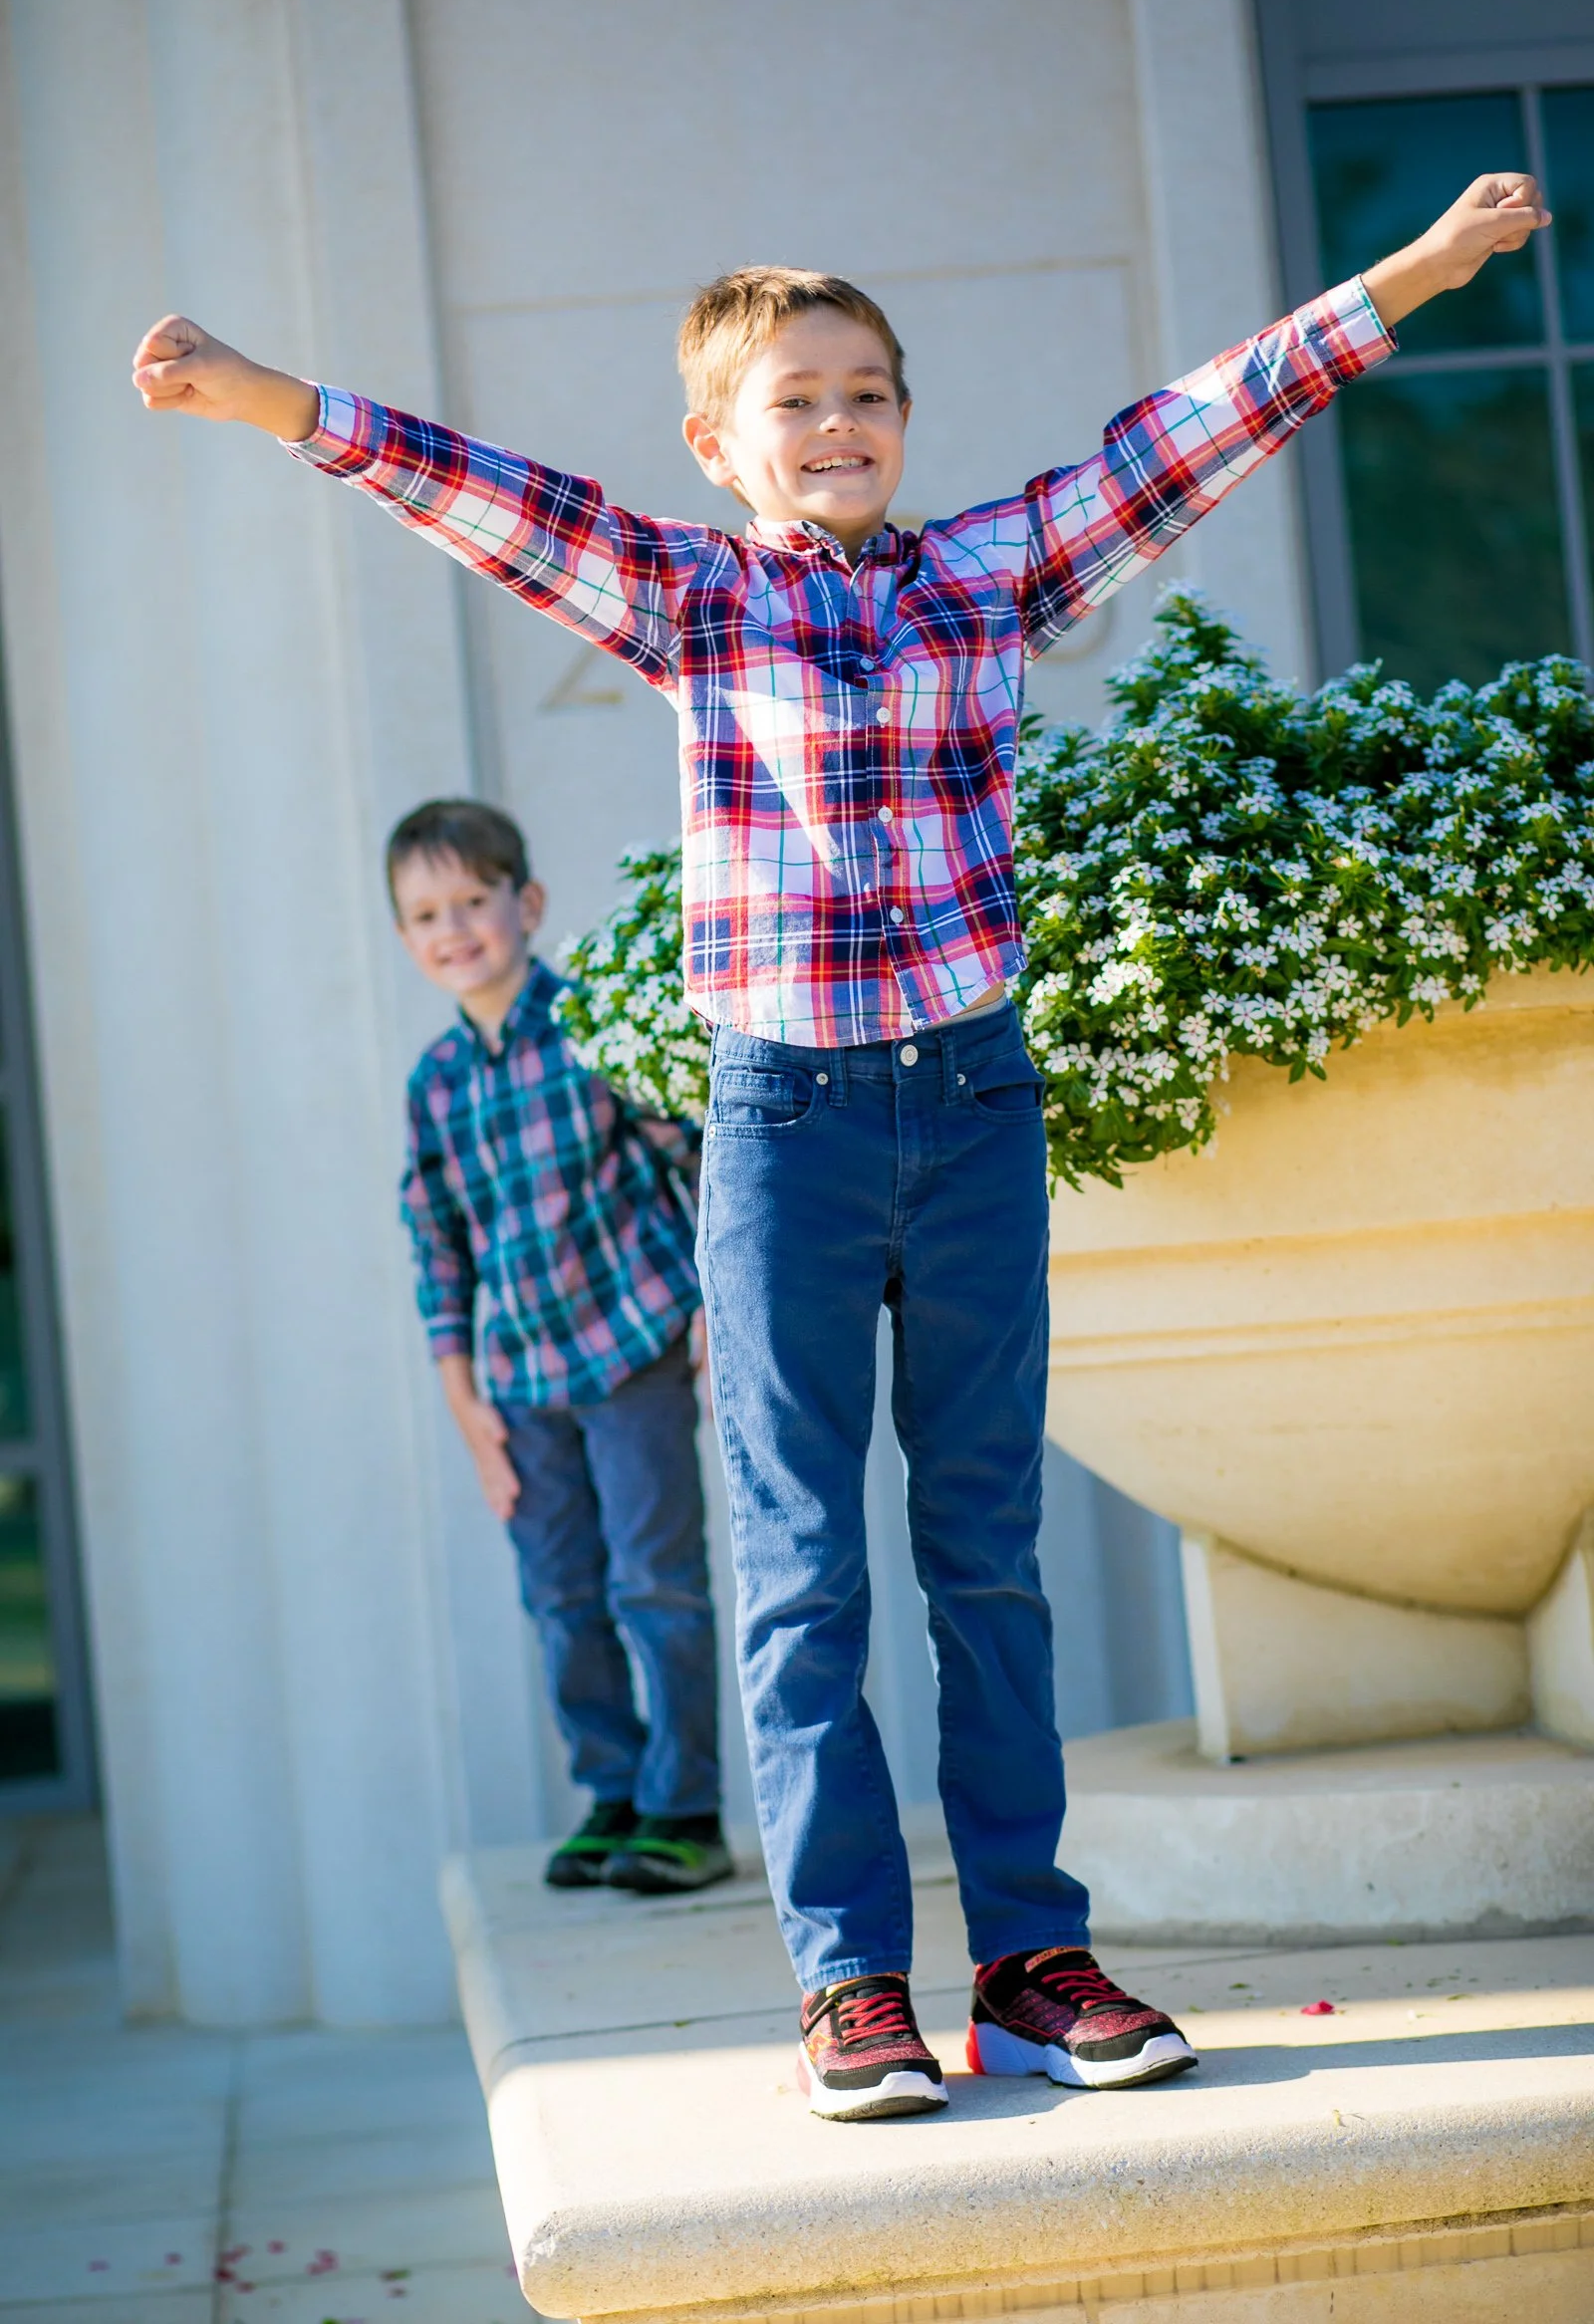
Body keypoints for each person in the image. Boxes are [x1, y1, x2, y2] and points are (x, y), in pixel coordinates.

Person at [133, 166, 1549, 2119]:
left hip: (967, 1107)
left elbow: (1200, 426)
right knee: (801, 1566)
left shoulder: (989, 576)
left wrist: (1417, 265)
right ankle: (848, 1986)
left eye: (866, 389)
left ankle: (1032, 1965)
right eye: (793, 399)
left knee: (985, 1548)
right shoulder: (690, 597)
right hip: (784, 1124)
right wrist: (256, 392)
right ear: (718, 444)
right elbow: (471, 488)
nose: (838, 423)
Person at [387, 795, 729, 1897]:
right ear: (406, 938)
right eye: (426, 913)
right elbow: (435, 1241)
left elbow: (699, 1156)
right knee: (561, 1600)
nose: (454, 930)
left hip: (631, 1354)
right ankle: (614, 1791)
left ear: (524, 905)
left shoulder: (596, 1025)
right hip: (521, 1384)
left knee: (655, 1585)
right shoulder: (435, 1087)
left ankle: (686, 1810)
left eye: (473, 902)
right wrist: (461, 1399)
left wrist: (715, 1308)